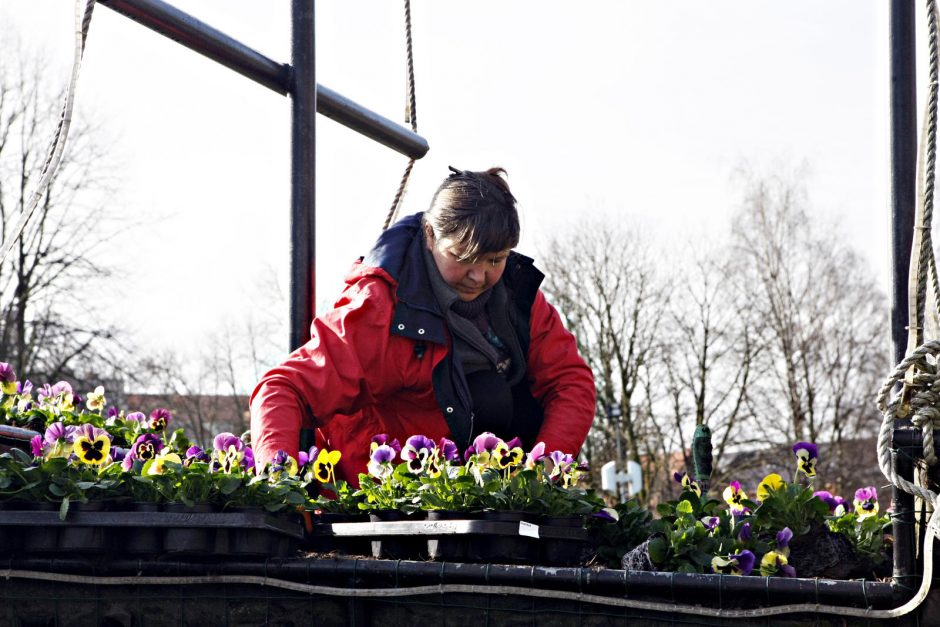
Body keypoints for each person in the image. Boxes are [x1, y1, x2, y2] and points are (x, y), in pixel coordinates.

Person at [250, 166, 595, 482]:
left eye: (494, 260)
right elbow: (282, 388)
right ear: (430, 235)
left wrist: (546, 463)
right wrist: (277, 483)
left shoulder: (518, 298)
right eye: (462, 257)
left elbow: (570, 381)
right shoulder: (378, 308)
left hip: (472, 485)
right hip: (382, 494)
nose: (478, 276)